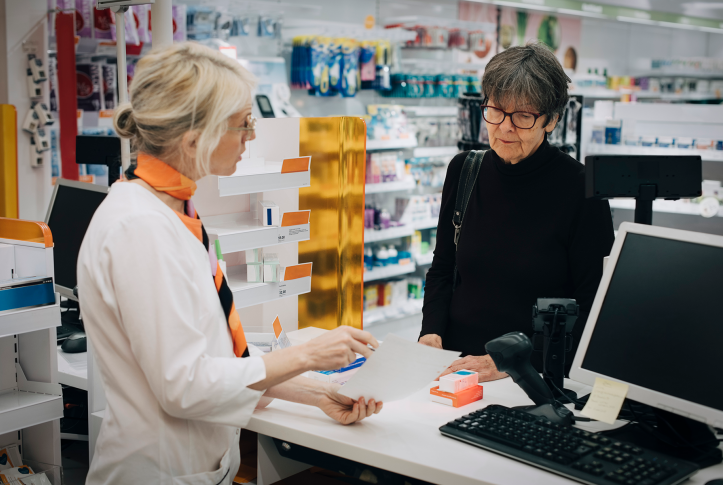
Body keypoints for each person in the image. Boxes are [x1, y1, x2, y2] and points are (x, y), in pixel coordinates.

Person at [77, 42, 381, 485]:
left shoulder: (173, 209)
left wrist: (318, 392)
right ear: (194, 137)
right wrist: (306, 355)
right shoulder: (141, 228)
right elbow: (185, 386)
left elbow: (224, 357)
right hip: (158, 472)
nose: (251, 136)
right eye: (243, 124)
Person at [419, 42, 614, 383]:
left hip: (529, 376)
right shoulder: (465, 170)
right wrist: (431, 333)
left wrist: (511, 363)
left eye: (523, 116)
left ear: (551, 119)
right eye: (496, 110)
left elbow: (592, 306)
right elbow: (443, 269)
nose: (505, 127)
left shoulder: (583, 190)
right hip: (454, 367)